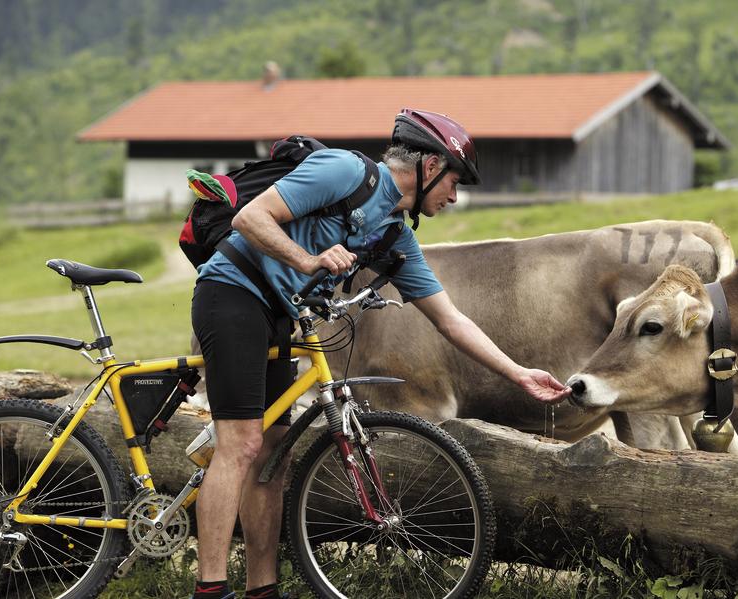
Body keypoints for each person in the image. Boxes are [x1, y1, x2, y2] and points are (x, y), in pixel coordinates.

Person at [189, 108, 571, 599]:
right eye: (454, 182)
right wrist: (309, 260)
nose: (455, 197)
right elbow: (250, 218)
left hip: (280, 315)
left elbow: (450, 320)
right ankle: (210, 589)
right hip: (232, 292)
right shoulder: (344, 171)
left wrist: (518, 373)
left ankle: (262, 590)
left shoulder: (394, 235)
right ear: (430, 167)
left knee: (272, 457)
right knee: (241, 444)